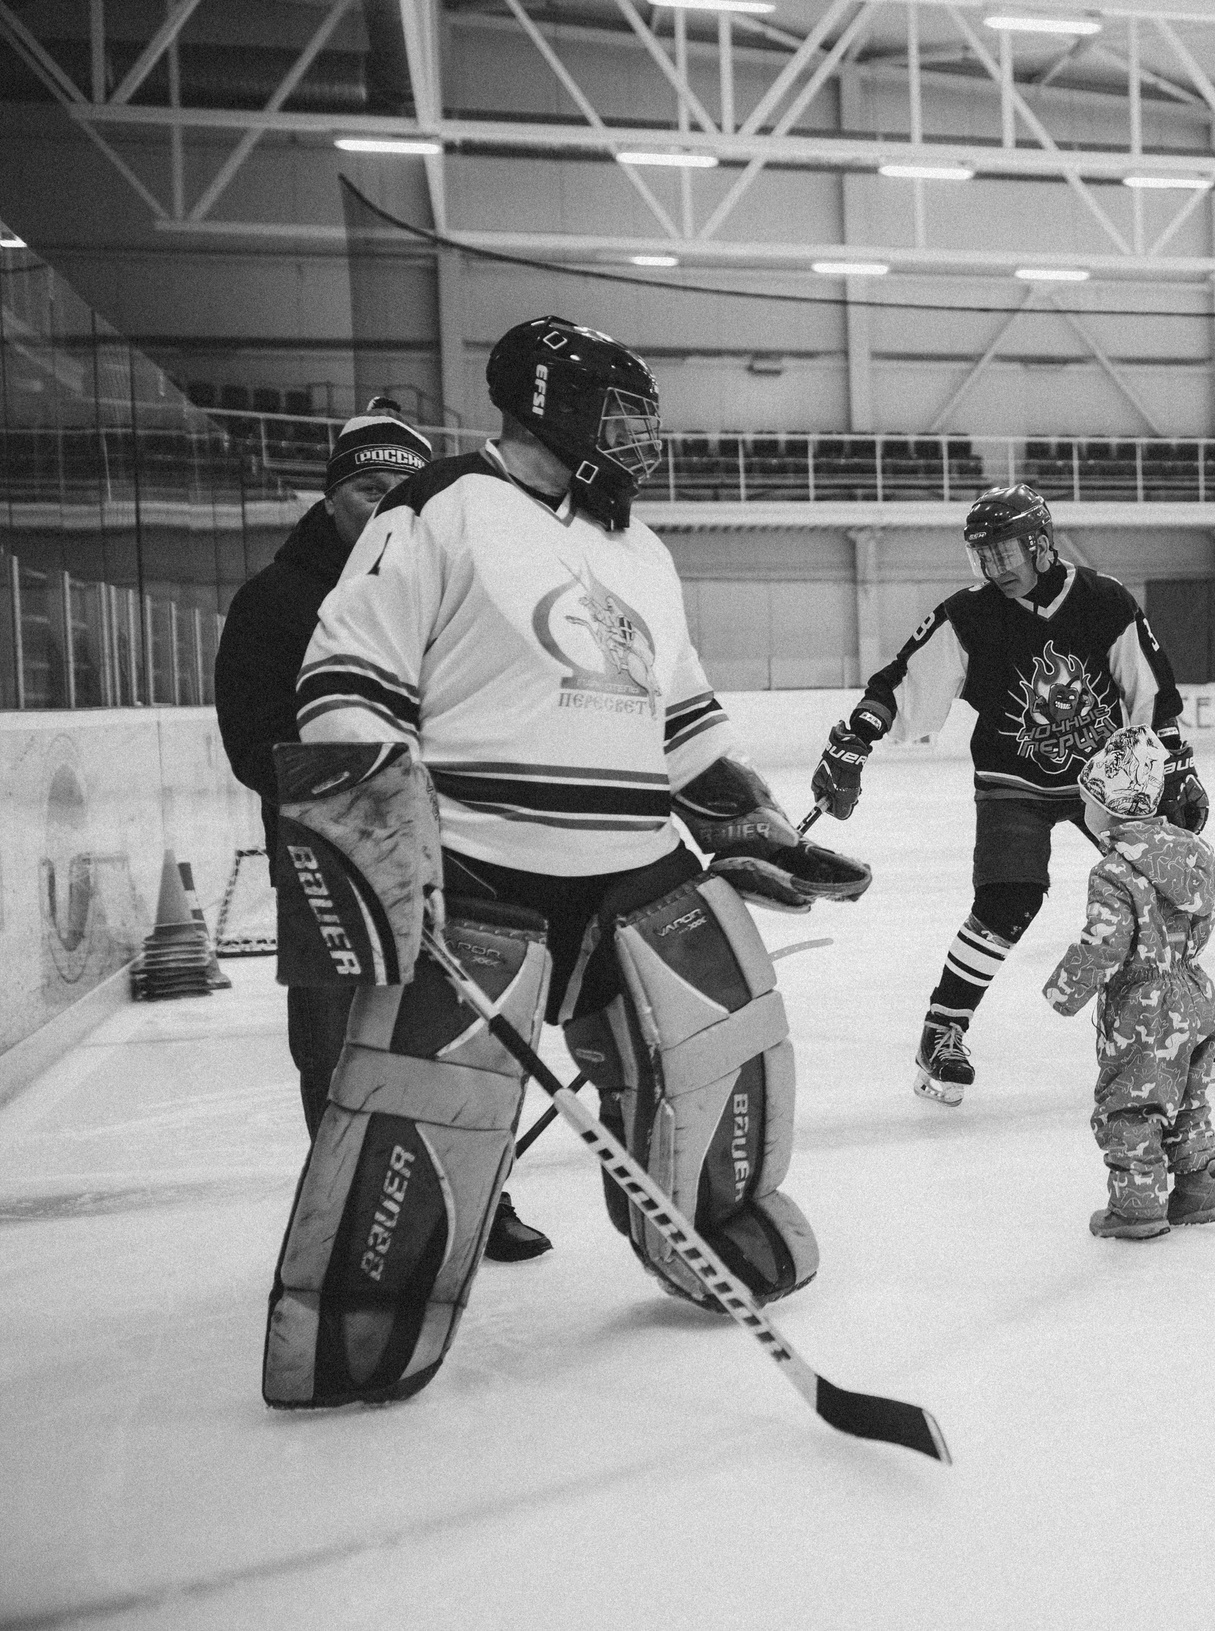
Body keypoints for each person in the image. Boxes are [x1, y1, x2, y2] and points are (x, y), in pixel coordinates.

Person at [260, 316, 869, 1410]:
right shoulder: (441, 506)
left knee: (721, 1042)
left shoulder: (640, 550)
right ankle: (363, 1305)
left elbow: (682, 726)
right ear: (550, 404)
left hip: (637, 864)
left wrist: (754, 826)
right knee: (428, 1094)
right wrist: (386, 857)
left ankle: (714, 1225)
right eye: (621, 417)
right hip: (483, 862)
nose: (641, 440)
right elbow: (347, 683)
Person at [213, 401, 553, 1262]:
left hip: (451, 854)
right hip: (328, 859)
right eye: (369, 489)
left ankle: (475, 1202)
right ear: (332, 496)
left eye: (401, 491)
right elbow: (253, 739)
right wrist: (361, 793)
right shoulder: (274, 601)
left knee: (449, 1036)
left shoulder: (444, 586)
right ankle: (347, 1216)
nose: (384, 505)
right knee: (336, 1049)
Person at [808, 485, 1208, 1107]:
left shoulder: (1103, 600)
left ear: (1041, 545)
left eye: (1005, 552)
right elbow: (900, 682)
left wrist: (1175, 763)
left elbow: (1150, 688)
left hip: (1107, 775)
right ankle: (942, 1033)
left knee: (1160, 889)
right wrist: (854, 739)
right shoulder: (970, 615)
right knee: (1007, 901)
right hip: (1011, 782)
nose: (995, 568)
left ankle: (1177, 1023)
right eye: (983, 556)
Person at [1042, 726, 1215, 1240]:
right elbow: (1205, 916)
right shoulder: (1194, 855)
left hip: (1142, 1008)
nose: (1083, 809)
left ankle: (1138, 1208)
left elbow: (1106, 942)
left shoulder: (1113, 871)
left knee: (1131, 1103)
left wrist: (1066, 989)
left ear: (1108, 808)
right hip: (1195, 995)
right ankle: (1202, 1188)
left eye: (1087, 800)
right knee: (1189, 1098)